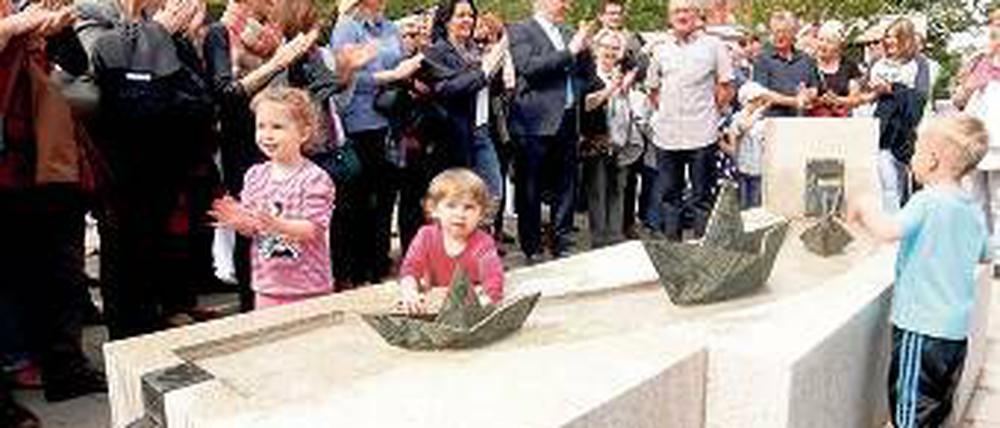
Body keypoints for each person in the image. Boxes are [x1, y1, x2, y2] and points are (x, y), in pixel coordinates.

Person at [848, 115, 991, 428]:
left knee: (910, 412)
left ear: (933, 159)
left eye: (915, 151)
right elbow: (985, 253)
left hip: (921, 329)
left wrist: (865, 206)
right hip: (955, 334)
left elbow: (888, 230)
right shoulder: (972, 209)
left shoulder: (926, 201)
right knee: (936, 409)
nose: (912, 158)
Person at [1, 0, 107, 404]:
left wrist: (55, 30)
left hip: (52, 164)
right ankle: (53, 366)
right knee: (39, 276)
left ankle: (65, 366)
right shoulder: (17, 21)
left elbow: (76, 66)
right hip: (20, 168)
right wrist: (18, 27)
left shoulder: (35, 16)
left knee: (61, 273)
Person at [209, 87, 335, 309]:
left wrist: (277, 224)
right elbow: (254, 228)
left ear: (303, 133)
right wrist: (240, 222)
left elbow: (313, 229)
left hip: (308, 286)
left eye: (277, 127)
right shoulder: (255, 175)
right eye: (261, 126)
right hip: (266, 285)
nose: (267, 134)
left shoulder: (315, 178)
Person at [331, 0, 424, 285]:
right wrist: (392, 75)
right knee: (360, 199)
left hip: (391, 120)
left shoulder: (390, 27)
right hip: (360, 120)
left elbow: (399, 64)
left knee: (385, 197)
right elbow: (345, 78)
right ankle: (355, 270)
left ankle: (378, 263)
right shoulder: (347, 27)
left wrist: (411, 64)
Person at [508, 0, 596, 261]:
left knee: (566, 185)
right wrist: (571, 51)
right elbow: (529, 67)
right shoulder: (521, 30)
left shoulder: (570, 32)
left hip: (567, 118)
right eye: (561, 1)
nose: (567, 5)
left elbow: (586, 75)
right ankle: (532, 245)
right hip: (533, 121)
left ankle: (562, 241)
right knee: (530, 186)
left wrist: (584, 52)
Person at [644, 0, 733, 241]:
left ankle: (701, 250)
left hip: (702, 133)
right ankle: (673, 249)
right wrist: (667, 112)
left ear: (696, 15)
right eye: (676, 11)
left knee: (702, 198)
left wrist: (711, 113)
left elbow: (726, 87)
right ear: (670, 17)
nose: (681, 16)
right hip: (667, 135)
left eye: (686, 11)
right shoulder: (660, 49)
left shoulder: (714, 46)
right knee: (669, 197)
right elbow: (653, 90)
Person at [422, 0, 506, 201]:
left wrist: (498, 68)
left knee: (492, 195)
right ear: (446, 20)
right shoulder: (436, 52)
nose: (468, 20)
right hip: (453, 136)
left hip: (482, 130)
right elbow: (448, 89)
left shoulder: (477, 50)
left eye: (470, 15)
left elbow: (491, 90)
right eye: (461, 15)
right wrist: (484, 71)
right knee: (457, 198)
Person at [397, 168, 504, 314]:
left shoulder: (484, 243)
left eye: (469, 207)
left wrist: (485, 300)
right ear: (434, 209)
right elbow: (410, 269)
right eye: (451, 205)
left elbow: (494, 279)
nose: (460, 214)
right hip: (435, 305)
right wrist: (409, 292)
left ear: (481, 214)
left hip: (470, 307)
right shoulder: (426, 236)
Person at [860, 18, 930, 212]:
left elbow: (921, 96)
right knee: (887, 184)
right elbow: (864, 91)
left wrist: (892, 89)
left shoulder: (919, 62)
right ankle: (892, 224)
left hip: (907, 131)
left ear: (905, 38)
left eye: (893, 36)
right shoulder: (877, 61)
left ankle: (908, 220)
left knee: (908, 183)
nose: (888, 41)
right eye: (887, 36)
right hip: (882, 128)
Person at [581, 29, 639, 248]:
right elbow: (587, 104)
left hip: (620, 142)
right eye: (606, 47)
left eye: (615, 48)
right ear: (596, 49)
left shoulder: (622, 77)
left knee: (618, 190)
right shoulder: (589, 75)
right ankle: (599, 240)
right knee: (597, 191)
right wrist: (612, 88)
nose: (611, 52)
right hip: (595, 142)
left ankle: (615, 238)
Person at [954, 25, 1000, 272]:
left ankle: (998, 255)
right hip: (976, 140)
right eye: (991, 34)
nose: (991, 40)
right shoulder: (977, 63)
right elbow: (959, 100)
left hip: (998, 143)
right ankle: (981, 250)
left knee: (998, 201)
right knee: (976, 199)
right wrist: (969, 82)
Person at [752, 10, 819, 118]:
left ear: (793, 32)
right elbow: (762, 94)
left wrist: (808, 94)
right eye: (775, 32)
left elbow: (814, 88)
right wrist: (795, 101)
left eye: (784, 31)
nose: (779, 36)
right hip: (773, 120)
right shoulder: (762, 60)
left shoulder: (806, 59)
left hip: (802, 120)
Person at [721, 82, 773, 208]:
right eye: (754, 101)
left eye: (760, 101)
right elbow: (743, 127)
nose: (758, 104)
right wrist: (758, 112)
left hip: (759, 169)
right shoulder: (738, 118)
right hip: (742, 169)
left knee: (756, 205)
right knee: (743, 205)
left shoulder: (763, 122)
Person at [810, 20, 862, 117]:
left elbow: (856, 99)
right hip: (814, 120)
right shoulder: (809, 65)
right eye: (821, 40)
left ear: (839, 46)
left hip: (842, 121)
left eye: (829, 42)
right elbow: (802, 98)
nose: (823, 45)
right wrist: (820, 101)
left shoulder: (849, 66)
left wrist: (838, 100)